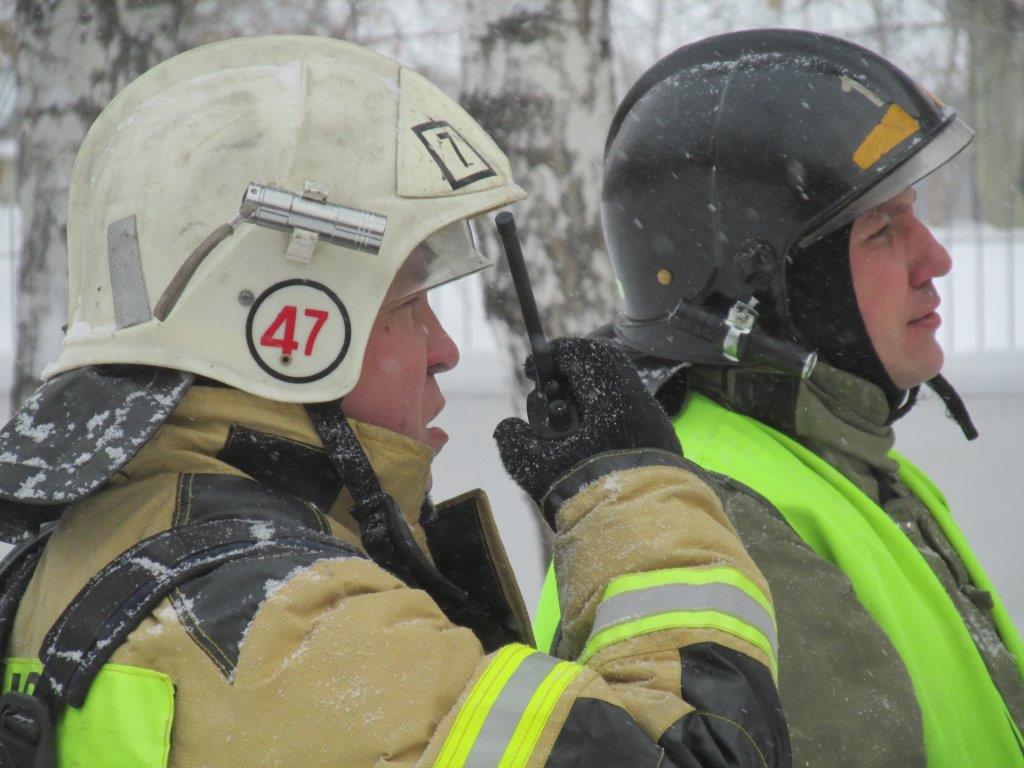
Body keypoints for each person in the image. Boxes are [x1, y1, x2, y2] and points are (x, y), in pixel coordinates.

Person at [0, 36, 791, 767]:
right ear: (287, 327)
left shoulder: (87, 549)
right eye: (409, 304)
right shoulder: (293, 629)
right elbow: (703, 754)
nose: (444, 349)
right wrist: (637, 496)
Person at [535, 28, 1024, 767]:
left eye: (917, 213)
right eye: (883, 232)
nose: (937, 258)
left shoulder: (835, 464)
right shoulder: (719, 513)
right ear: (772, 291)